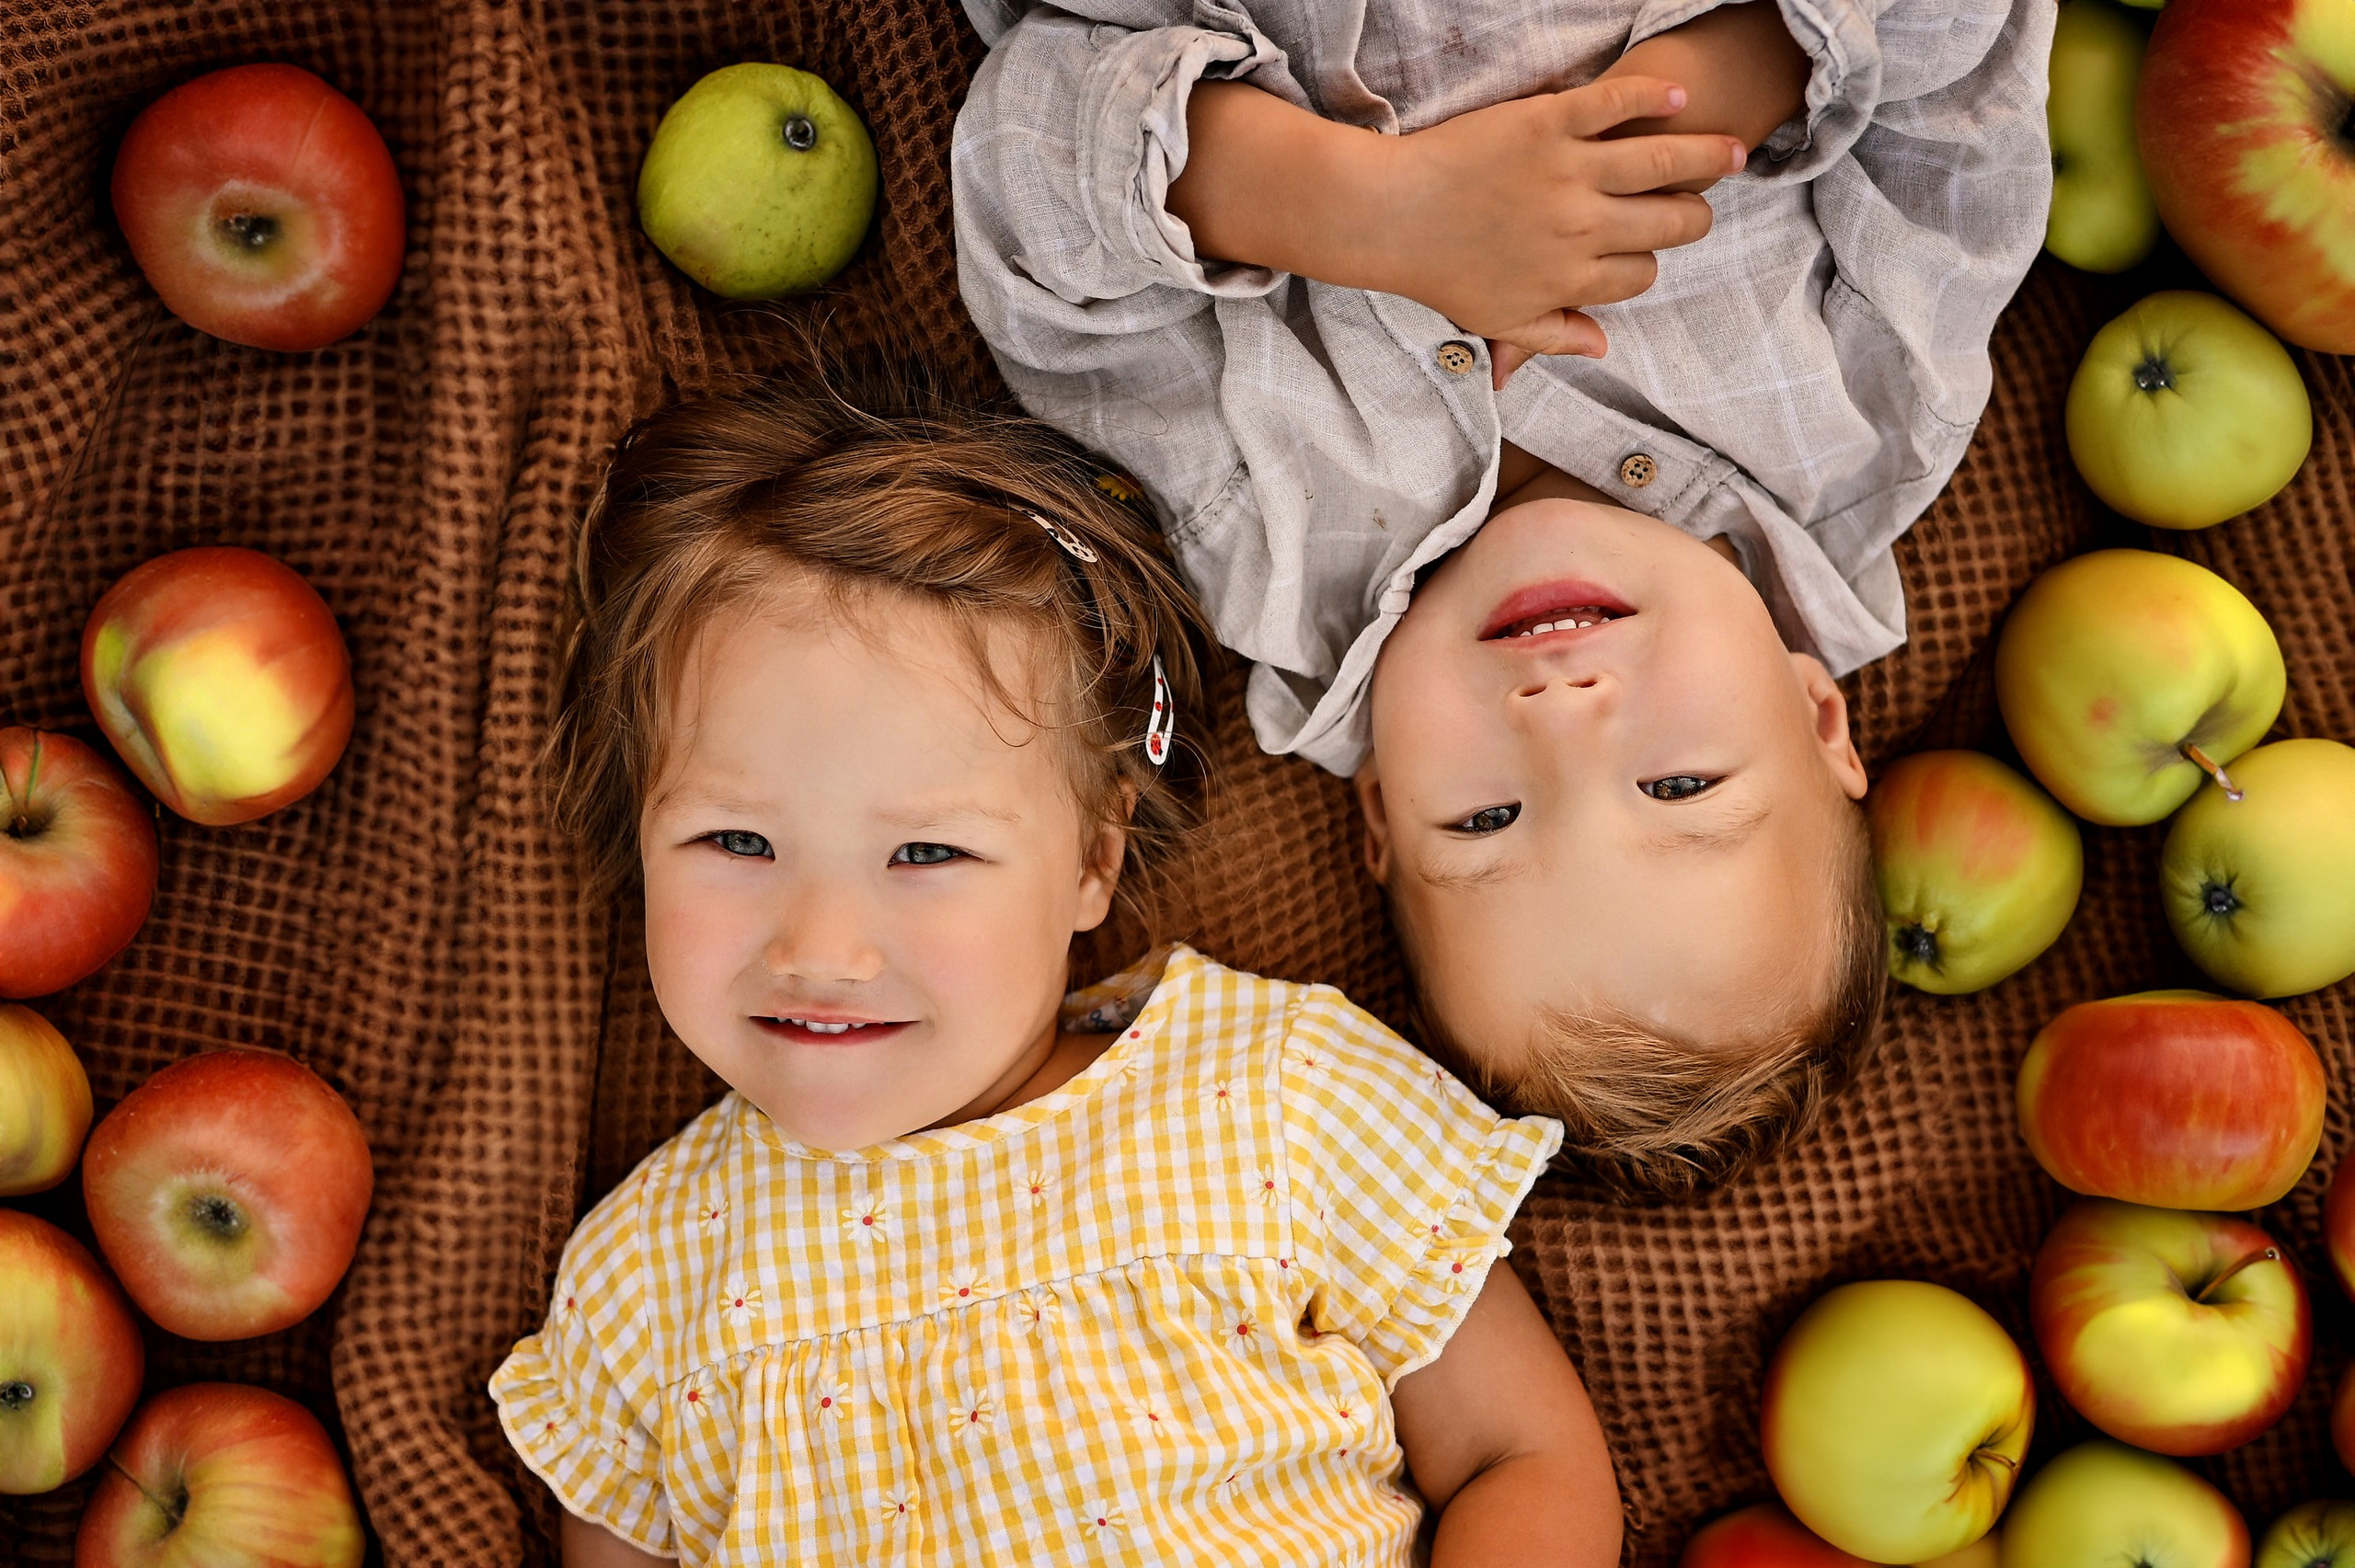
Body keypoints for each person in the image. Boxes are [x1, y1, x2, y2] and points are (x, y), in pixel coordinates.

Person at [491, 372, 1623, 1566]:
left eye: (926, 851)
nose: (820, 949)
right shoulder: (644, 1271)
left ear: (1093, 858)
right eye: (735, 841)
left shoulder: (1278, 1094)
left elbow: (1520, 1452)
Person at [950, 0, 2051, 1194]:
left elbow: (1027, 166)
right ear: (1818, 715)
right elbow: (1965, 50)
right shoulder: (1872, 406)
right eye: (1679, 784)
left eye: (1486, 820)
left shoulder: (1250, 539)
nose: (1561, 712)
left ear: (1379, 811)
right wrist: (1720, 88)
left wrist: (1363, 208)